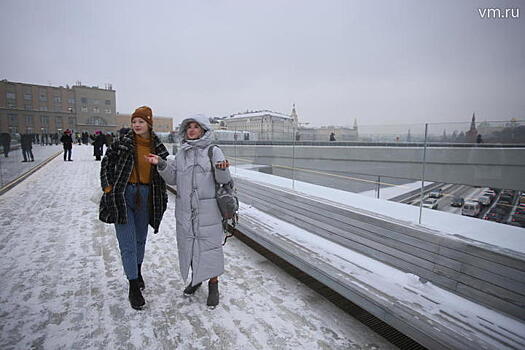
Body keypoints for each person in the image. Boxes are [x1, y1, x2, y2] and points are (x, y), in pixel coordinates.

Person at [145, 115, 231, 309]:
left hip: (208, 211)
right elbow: (173, 178)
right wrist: (161, 164)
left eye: (196, 127)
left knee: (210, 248)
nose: (192, 130)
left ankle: (213, 285)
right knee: (189, 247)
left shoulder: (213, 151)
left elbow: (224, 180)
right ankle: (196, 279)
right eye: (189, 127)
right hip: (185, 211)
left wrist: (223, 169)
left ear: (203, 130)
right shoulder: (181, 153)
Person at [99, 106, 169, 310]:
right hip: (122, 195)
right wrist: (107, 186)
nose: (137, 125)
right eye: (134, 122)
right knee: (127, 242)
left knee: (140, 239)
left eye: (141, 122)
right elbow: (106, 163)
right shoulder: (122, 142)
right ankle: (132, 286)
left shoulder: (157, 146)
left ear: (149, 124)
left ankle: (137, 272)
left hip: (147, 196)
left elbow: (166, 170)